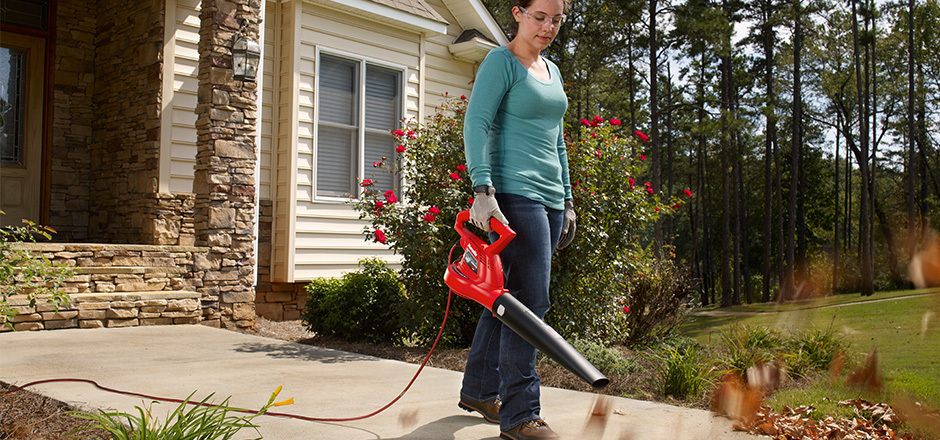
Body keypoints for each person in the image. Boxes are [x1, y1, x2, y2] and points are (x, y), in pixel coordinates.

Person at [457, 0, 575, 438]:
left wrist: (567, 199)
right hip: (512, 192)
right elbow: (476, 124)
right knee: (530, 303)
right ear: (517, 13)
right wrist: (482, 190)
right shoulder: (499, 63)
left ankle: (479, 389)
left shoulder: (553, 70)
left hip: (549, 197)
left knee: (506, 300)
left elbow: (557, 140)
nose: (548, 27)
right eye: (539, 17)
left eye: (557, 20)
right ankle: (520, 414)